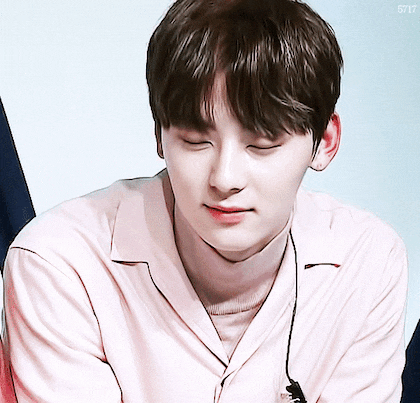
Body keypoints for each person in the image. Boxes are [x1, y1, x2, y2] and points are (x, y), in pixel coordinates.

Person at [2, 0, 407, 402]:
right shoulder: (60, 264)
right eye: (196, 141)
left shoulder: (367, 262)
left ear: (325, 142)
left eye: (262, 145)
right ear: (159, 135)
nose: (224, 179)